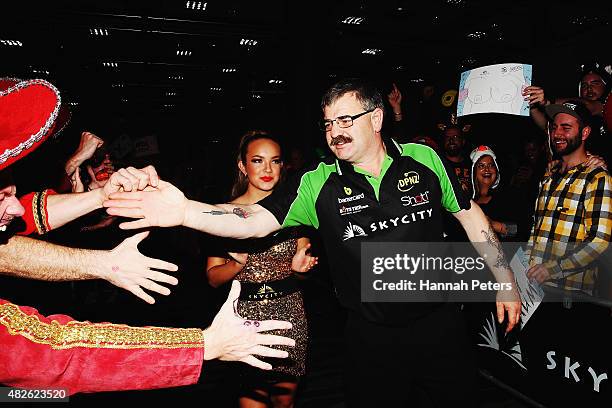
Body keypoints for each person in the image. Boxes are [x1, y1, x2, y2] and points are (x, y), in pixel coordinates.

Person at [105, 78, 521, 407]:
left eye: (345, 120)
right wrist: (185, 212)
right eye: (327, 123)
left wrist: (504, 279)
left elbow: (469, 215)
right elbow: (253, 220)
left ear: (376, 118)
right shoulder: (317, 182)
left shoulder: (424, 159)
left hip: (440, 326)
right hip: (370, 335)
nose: (334, 132)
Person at [0, 77, 295, 394]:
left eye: (275, 161)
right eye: (2, 196)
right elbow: (56, 356)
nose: (17, 208)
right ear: (241, 165)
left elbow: (24, 221)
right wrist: (202, 345)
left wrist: (102, 201)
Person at [206, 131, 316, 408]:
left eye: (275, 161)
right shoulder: (223, 215)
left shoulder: (295, 212)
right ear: (243, 166)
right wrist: (237, 264)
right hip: (244, 318)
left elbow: (303, 273)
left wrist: (299, 269)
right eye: (258, 160)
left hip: (290, 315)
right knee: (251, 401)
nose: (267, 169)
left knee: (285, 400)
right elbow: (212, 279)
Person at [526, 100, 612, 296]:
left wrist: (552, 269)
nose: (557, 134)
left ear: (584, 133)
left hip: (570, 294)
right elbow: (537, 229)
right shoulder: (549, 176)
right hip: (534, 290)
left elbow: (599, 241)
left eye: (566, 128)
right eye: (554, 127)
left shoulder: (597, 178)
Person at [469, 145, 518, 240]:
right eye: (481, 166)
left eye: (491, 165)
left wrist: (492, 224)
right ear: (474, 172)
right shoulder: (467, 202)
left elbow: (519, 229)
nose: (487, 169)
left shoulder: (508, 196)